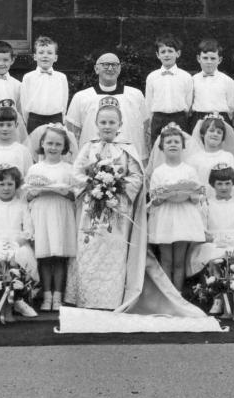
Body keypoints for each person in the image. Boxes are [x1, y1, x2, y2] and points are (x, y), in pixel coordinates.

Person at [66, 97, 144, 310]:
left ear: (120, 125)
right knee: (89, 249)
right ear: (96, 124)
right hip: (91, 208)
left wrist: (117, 188)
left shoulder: (127, 149)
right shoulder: (88, 148)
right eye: (103, 122)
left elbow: (137, 176)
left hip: (117, 209)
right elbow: (76, 173)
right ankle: (85, 298)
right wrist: (93, 185)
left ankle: (111, 299)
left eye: (112, 122)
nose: (107, 126)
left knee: (113, 250)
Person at [24, 124, 76, 312]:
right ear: (42, 144)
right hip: (42, 213)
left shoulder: (69, 169)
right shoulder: (35, 169)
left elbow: (74, 197)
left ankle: (58, 296)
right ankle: (46, 296)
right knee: (45, 256)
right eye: (50, 143)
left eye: (58, 144)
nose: (53, 147)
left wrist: (65, 193)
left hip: (61, 212)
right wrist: (35, 192)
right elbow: (27, 196)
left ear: (64, 147)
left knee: (59, 256)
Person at [147, 124, 205, 293]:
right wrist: (164, 195)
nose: (173, 144)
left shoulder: (189, 170)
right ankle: (168, 296)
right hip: (164, 217)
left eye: (176, 142)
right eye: (168, 142)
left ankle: (178, 295)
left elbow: (196, 197)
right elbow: (154, 200)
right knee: (166, 260)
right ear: (162, 147)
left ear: (183, 146)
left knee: (179, 261)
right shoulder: (158, 172)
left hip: (184, 218)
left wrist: (189, 193)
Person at [0, 165, 38, 318]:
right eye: (1, 184)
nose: (6, 188)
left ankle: (19, 299)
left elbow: (29, 231)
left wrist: (17, 243)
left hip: (17, 241)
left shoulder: (22, 205)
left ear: (16, 185)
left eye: (10, 184)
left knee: (22, 255)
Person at [66, 51, 149, 163]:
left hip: (128, 160)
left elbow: (145, 127)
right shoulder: (81, 97)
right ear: (96, 69)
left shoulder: (135, 95)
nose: (110, 68)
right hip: (91, 160)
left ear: (119, 69)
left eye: (114, 65)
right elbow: (72, 132)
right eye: (105, 64)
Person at [187, 164, 234, 284]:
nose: (224, 187)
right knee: (214, 254)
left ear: (233, 183)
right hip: (214, 243)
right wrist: (215, 241)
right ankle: (216, 288)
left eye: (227, 183)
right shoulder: (207, 205)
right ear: (213, 184)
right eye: (219, 183)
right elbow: (202, 230)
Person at [188, 113, 234, 209]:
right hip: (202, 205)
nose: (215, 134)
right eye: (211, 131)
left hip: (224, 204)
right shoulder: (194, 159)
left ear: (223, 137)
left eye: (219, 132)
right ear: (202, 133)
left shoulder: (227, 156)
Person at [145, 33, 193, 141]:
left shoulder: (186, 76)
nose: (167, 55)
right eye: (163, 52)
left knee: (180, 147)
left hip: (179, 118)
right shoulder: (152, 77)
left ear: (178, 53)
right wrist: (150, 122)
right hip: (158, 119)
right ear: (158, 55)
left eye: (170, 51)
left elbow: (188, 101)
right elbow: (149, 102)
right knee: (157, 148)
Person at [21, 36, 69, 135]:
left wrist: (61, 119)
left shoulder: (61, 77)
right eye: (41, 52)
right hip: (34, 120)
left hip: (56, 119)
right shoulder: (28, 77)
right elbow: (24, 103)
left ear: (55, 57)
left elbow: (64, 101)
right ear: (35, 56)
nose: (45, 56)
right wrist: (29, 121)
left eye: (49, 53)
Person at [190, 38, 234, 129]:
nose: (209, 62)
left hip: (221, 119)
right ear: (199, 58)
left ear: (219, 60)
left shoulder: (227, 81)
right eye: (205, 58)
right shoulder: (193, 80)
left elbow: (231, 106)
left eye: (213, 58)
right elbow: (189, 103)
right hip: (198, 119)